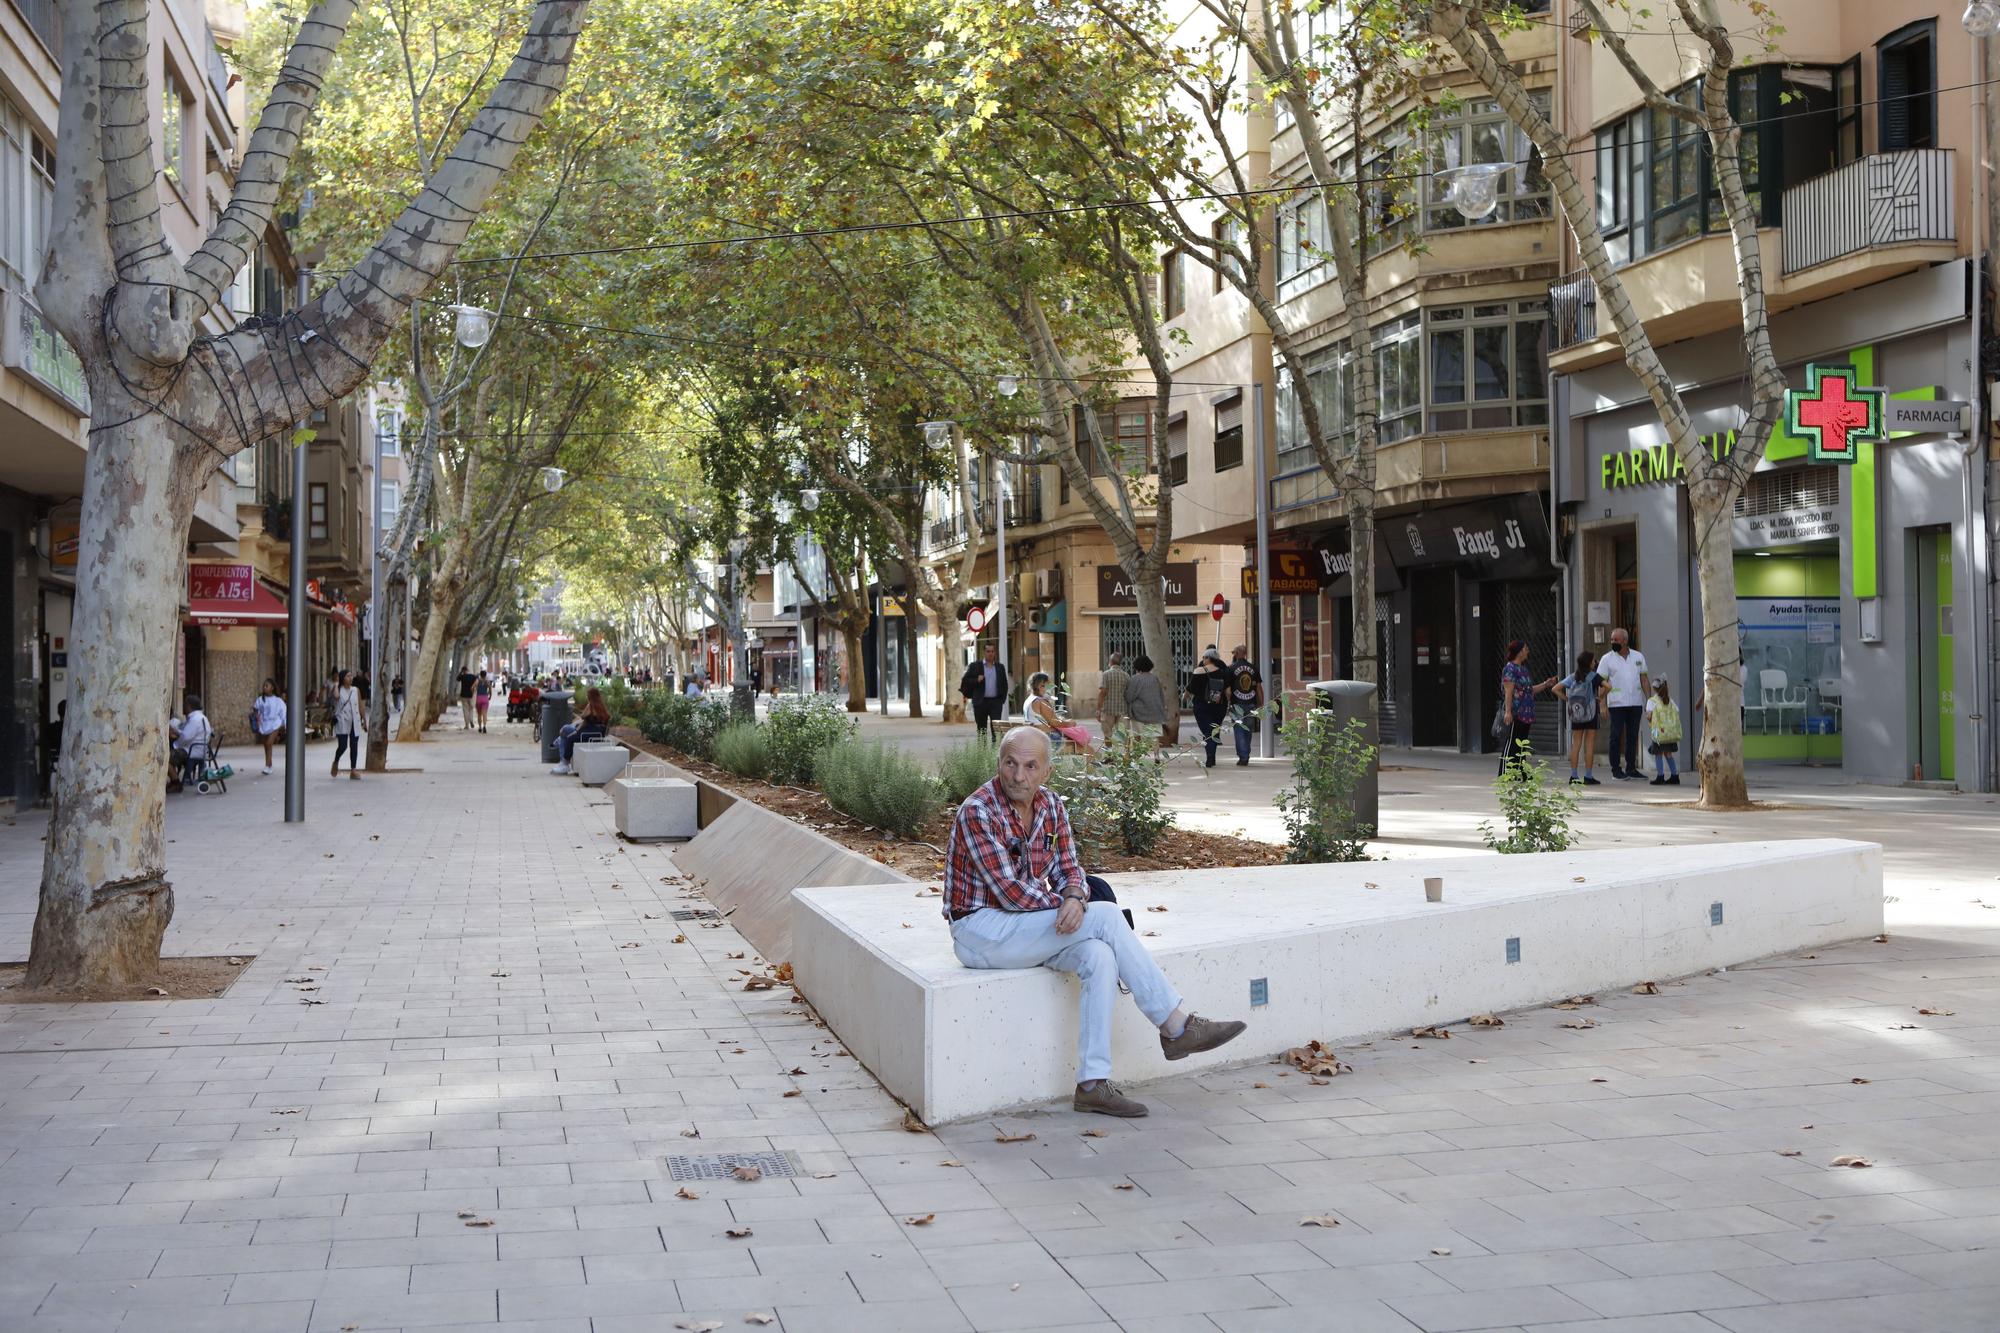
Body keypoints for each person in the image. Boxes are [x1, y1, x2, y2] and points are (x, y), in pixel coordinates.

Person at [944, 726, 1247, 1117]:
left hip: (1027, 927)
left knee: (1099, 957)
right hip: (980, 930)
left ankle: (1092, 1084)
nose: (1019, 776)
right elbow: (1009, 892)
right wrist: (1071, 903)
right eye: (1011, 764)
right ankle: (1175, 1027)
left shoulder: (1051, 806)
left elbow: (1071, 868)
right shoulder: (978, 811)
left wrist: (1074, 895)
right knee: (1103, 916)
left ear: (1046, 772)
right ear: (999, 764)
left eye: (1030, 766)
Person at [1496, 641, 1555, 775]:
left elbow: (1529, 690)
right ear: (1519, 652)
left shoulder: (1524, 670)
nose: (1528, 651)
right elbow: (1508, 692)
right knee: (1512, 742)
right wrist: (1508, 712)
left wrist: (1546, 684)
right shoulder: (1510, 669)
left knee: (1521, 744)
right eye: (1526, 649)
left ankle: (1519, 772)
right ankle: (1505, 773)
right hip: (1516, 712)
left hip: (1526, 713)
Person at [1601, 627, 1651, 780]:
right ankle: (1616, 769)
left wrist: (1650, 701)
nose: (1613, 642)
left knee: (1632, 736)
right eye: (1611, 639)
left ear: (1625, 640)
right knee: (1615, 736)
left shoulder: (1638, 656)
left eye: (1616, 640)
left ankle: (1631, 768)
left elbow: (1644, 679)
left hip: (1635, 703)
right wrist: (1602, 704)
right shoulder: (1607, 659)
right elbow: (1600, 682)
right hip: (1616, 704)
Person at [1554, 650, 1609, 785]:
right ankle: (1588, 776)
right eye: (1593, 660)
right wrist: (1600, 698)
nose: (1595, 662)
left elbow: (1555, 688)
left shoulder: (1573, 677)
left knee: (1576, 744)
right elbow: (1609, 686)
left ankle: (1574, 776)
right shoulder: (1594, 677)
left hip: (1576, 714)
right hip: (1591, 714)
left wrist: (1567, 699)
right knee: (1589, 744)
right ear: (1589, 663)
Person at [1025, 671, 1095, 757]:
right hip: (1050, 739)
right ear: (1037, 686)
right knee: (1089, 750)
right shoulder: (1040, 701)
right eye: (1044, 686)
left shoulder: (1029, 700)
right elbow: (1055, 722)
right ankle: (1087, 770)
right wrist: (1070, 723)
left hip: (1036, 737)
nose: (1048, 689)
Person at [550, 686, 613, 775]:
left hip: (591, 733)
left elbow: (583, 717)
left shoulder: (592, 707)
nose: (587, 697)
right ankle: (563, 759)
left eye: (588, 695)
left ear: (591, 696)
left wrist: (576, 731)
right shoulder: (601, 706)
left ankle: (565, 762)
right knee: (566, 732)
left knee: (568, 738)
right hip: (595, 732)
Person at [1187, 646, 1229, 768]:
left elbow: (1191, 688)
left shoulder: (1199, 671)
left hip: (1202, 706)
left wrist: (1185, 696)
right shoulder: (1224, 672)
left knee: (1207, 732)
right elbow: (1228, 691)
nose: (1202, 659)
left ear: (1208, 658)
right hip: (1219, 706)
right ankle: (1212, 757)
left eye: (1204, 657)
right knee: (1214, 731)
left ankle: (1210, 758)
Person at [1122, 654, 1169, 760]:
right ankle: (1156, 756)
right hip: (1155, 712)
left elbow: (1129, 697)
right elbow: (1160, 695)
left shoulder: (1135, 679)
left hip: (1139, 713)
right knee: (1153, 736)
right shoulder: (1154, 678)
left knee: (1137, 735)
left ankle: (1137, 756)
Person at [958, 644, 1010, 740]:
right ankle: (983, 753)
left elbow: (1004, 684)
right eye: (988, 651)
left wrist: (1001, 700)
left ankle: (995, 752)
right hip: (980, 702)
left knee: (996, 730)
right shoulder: (975, 666)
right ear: (984, 652)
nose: (990, 653)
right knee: (982, 730)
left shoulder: (1000, 667)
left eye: (992, 651)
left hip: (995, 702)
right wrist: (976, 680)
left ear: (995, 653)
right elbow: (965, 680)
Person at [1226, 644, 1264, 766]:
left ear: (1237, 654)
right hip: (1251, 703)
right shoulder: (1253, 668)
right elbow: (1258, 688)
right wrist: (1261, 703)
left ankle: (1243, 756)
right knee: (1248, 730)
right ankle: (1246, 753)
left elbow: (1228, 690)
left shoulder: (1231, 668)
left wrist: (1229, 702)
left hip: (1237, 704)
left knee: (1239, 730)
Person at [1646, 677, 1683, 785]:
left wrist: (1650, 717)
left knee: (1658, 754)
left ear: (1654, 689)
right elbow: (1677, 711)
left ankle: (1660, 776)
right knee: (1668, 754)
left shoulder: (1652, 701)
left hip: (1658, 733)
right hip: (1669, 733)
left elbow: (1649, 716)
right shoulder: (1670, 700)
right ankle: (1674, 776)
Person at [171, 694, 213, 790]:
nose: (184, 707)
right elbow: (188, 734)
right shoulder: (201, 717)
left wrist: (175, 744)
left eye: (185, 705)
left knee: (167, 758)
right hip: (199, 749)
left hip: (191, 750)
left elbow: (186, 737)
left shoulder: (195, 719)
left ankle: (175, 782)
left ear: (189, 706)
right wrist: (177, 732)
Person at [330, 669, 362, 779]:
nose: (350, 678)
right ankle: (336, 760)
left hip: (354, 721)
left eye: (351, 676)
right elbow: (336, 697)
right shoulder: (338, 689)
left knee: (354, 745)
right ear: (343, 678)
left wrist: (364, 721)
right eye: (348, 676)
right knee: (343, 746)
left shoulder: (355, 690)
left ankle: (353, 770)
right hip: (342, 721)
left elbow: (360, 705)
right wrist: (336, 684)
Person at [252, 678, 287, 775]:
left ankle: (267, 766)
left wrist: (285, 725)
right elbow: (255, 708)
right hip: (264, 724)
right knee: (266, 746)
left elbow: (283, 712)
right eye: (264, 686)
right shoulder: (260, 699)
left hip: (275, 723)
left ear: (272, 688)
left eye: (267, 686)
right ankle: (270, 765)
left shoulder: (278, 700)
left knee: (269, 743)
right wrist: (257, 716)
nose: (264, 687)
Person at [1097, 652, 1129, 743]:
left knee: (1108, 735)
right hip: (1122, 709)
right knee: (1123, 735)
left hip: (1108, 709)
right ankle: (1126, 756)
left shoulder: (1106, 674)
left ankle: (1110, 755)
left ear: (1110, 662)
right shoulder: (1126, 675)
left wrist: (1098, 709)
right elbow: (1128, 693)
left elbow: (1103, 692)